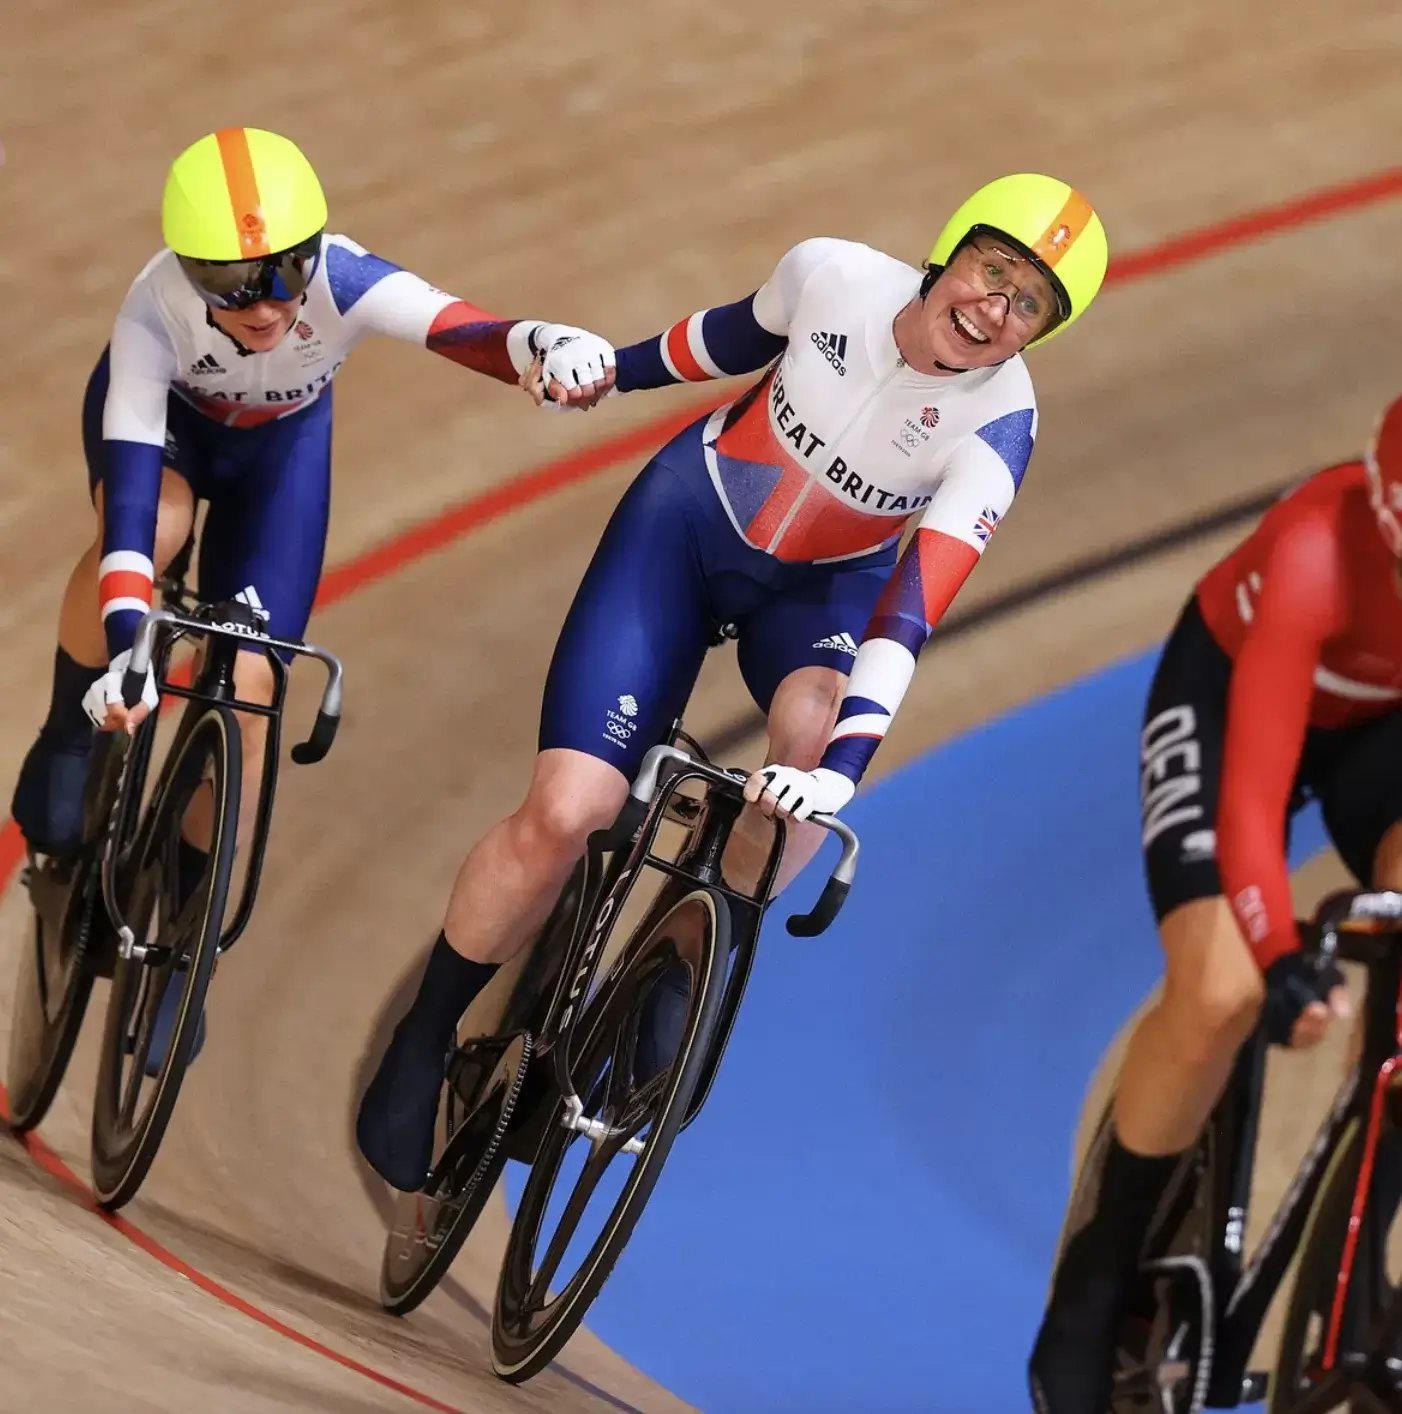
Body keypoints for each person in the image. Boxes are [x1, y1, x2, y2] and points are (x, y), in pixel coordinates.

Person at [355, 173, 1111, 1192]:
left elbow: (911, 609)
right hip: (685, 530)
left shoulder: (998, 431)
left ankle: (689, 953)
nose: (991, 308)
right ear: (953, 250)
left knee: (812, 732)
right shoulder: (833, 273)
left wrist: (843, 770)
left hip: (821, 598)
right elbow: (720, 341)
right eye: (992, 271)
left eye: (1027, 304)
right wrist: (604, 372)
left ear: (1037, 334)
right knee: (568, 809)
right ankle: (427, 1028)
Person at [9, 126, 616, 1076]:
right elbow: (128, 523)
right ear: (188, 272)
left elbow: (465, 330)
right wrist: (133, 647)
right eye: (234, 285)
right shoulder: (151, 311)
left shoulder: (346, 278)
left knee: (249, 690)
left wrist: (545, 344)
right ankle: (67, 728)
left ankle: (186, 943)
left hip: (277, 457)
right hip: (165, 444)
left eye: (285, 274)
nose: (268, 306)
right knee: (157, 537)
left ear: (315, 254)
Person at [1026, 396, 1402, 1408]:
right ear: (1385, 514)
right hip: (1232, 694)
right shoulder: (1316, 547)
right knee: (1217, 993)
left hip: (1383, 733)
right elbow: (1250, 792)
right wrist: (1279, 954)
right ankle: (1092, 1289)